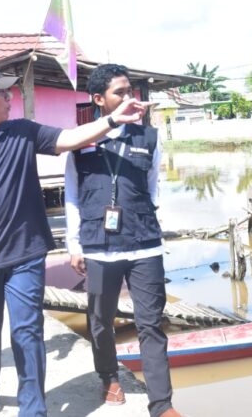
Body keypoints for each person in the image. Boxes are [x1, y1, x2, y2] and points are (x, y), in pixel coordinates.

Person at [0, 63, 146, 416]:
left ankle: (33, 408)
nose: (9, 97)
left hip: (25, 252)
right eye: (1, 92)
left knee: (28, 331)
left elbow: (68, 138)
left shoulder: (22, 131)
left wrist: (113, 120)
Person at [65, 64, 181, 417]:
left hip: (144, 244)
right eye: (120, 92)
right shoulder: (81, 139)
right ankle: (109, 377)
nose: (129, 98)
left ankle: (161, 404)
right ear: (99, 99)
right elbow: (72, 192)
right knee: (100, 319)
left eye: (131, 91)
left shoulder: (150, 137)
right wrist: (74, 244)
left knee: (150, 324)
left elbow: (151, 188)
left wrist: (141, 217)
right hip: (99, 245)